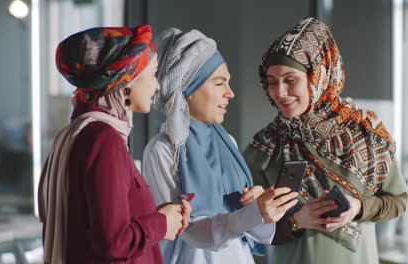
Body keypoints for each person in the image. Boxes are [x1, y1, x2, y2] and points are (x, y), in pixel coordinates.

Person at [242, 17, 408, 264]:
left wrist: (358, 207)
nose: (280, 93)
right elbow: (247, 231)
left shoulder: (364, 133)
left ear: (317, 76)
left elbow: (397, 201)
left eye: (290, 80)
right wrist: (297, 221)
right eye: (272, 82)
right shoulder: (265, 146)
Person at [38, 25, 191, 264]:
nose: (157, 86)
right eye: (153, 74)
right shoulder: (104, 139)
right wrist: (162, 224)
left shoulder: (81, 131)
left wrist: (162, 216)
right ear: (128, 80)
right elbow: (113, 242)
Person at [142, 28, 298, 263]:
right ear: (189, 89)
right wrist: (252, 214)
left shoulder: (227, 142)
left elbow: (246, 230)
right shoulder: (162, 150)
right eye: (219, 83)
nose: (230, 93)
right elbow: (185, 231)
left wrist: (258, 208)